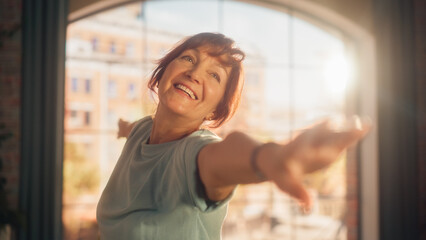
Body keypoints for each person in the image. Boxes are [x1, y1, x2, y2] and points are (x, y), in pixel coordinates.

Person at [96, 32, 370, 240]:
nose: (194, 74)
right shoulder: (143, 130)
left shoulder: (195, 153)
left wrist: (273, 158)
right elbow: (132, 129)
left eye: (214, 75)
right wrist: (122, 128)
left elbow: (227, 153)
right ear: (164, 70)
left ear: (218, 107)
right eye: (188, 58)